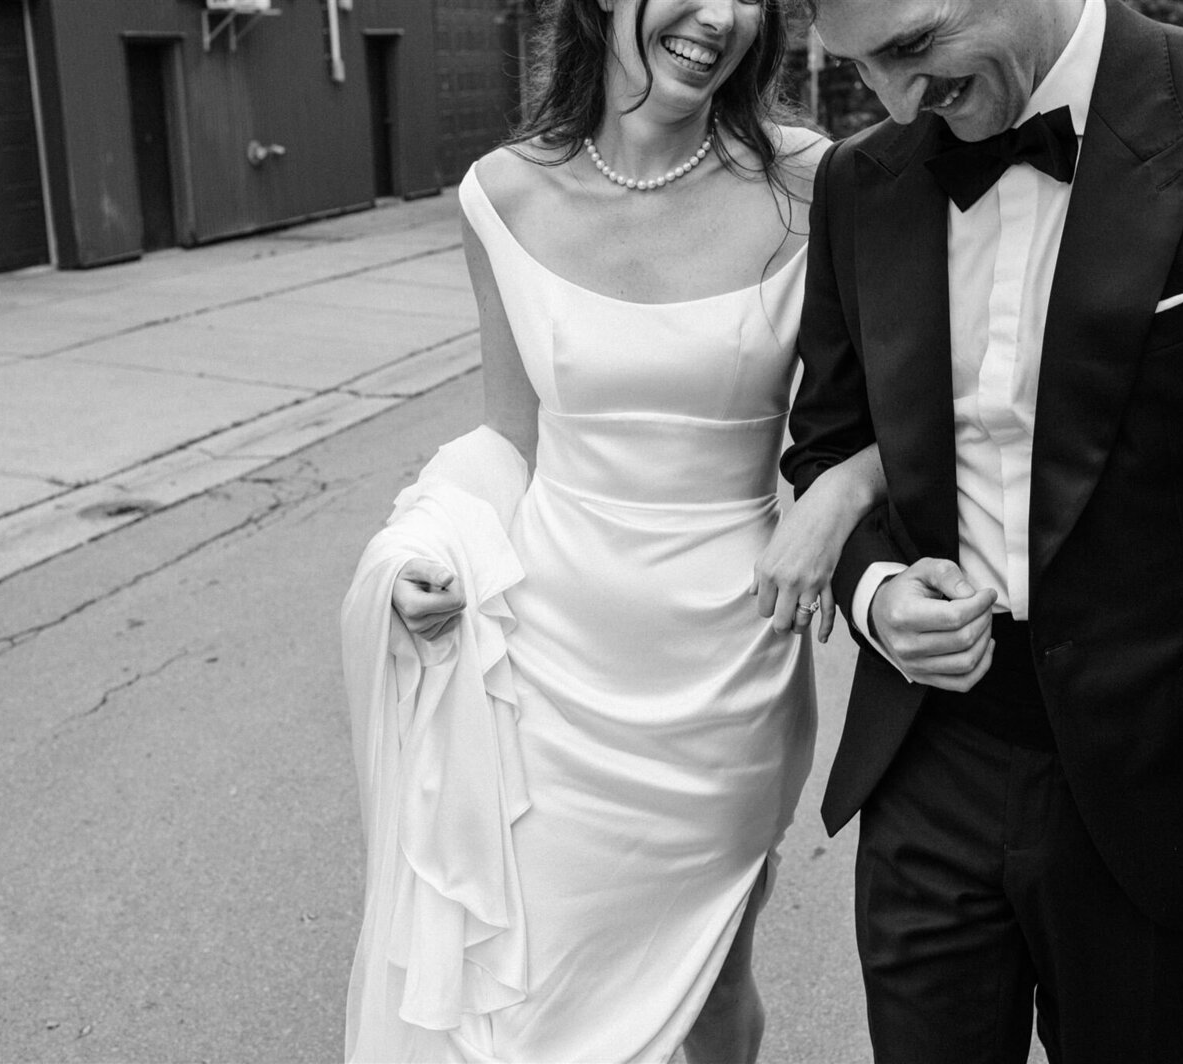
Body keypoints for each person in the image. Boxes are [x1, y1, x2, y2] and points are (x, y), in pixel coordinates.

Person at [757, 0, 1183, 1057]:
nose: (896, 104)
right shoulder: (863, 177)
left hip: (1152, 779)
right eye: (862, 72)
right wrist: (877, 590)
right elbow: (827, 442)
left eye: (910, 51)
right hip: (928, 757)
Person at [340, 0, 888, 1057]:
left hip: (727, 665)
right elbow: (512, 434)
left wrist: (838, 493)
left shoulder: (813, 182)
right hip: (551, 664)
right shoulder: (500, 194)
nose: (718, 15)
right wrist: (428, 549)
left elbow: (927, 396)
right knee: (534, 991)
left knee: (707, 980)